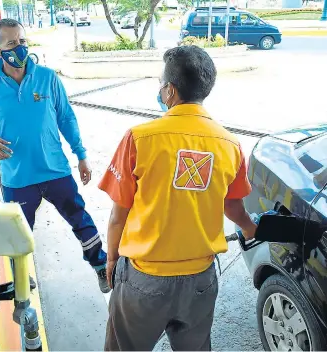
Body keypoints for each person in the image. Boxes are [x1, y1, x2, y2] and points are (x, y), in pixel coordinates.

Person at [98, 45, 258, 351]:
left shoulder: (140, 138)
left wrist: (112, 258)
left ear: (169, 91)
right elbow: (234, 207)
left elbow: (119, 214)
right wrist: (251, 229)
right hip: (200, 279)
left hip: (145, 278)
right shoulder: (230, 144)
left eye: (161, 85)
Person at [0, 18, 110, 293]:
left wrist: (81, 154)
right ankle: (22, 278)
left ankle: (100, 266)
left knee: (80, 220)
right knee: (18, 233)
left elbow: (66, 118)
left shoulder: (47, 77)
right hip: (17, 176)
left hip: (55, 170)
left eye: (22, 41)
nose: (20, 47)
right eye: (11, 43)